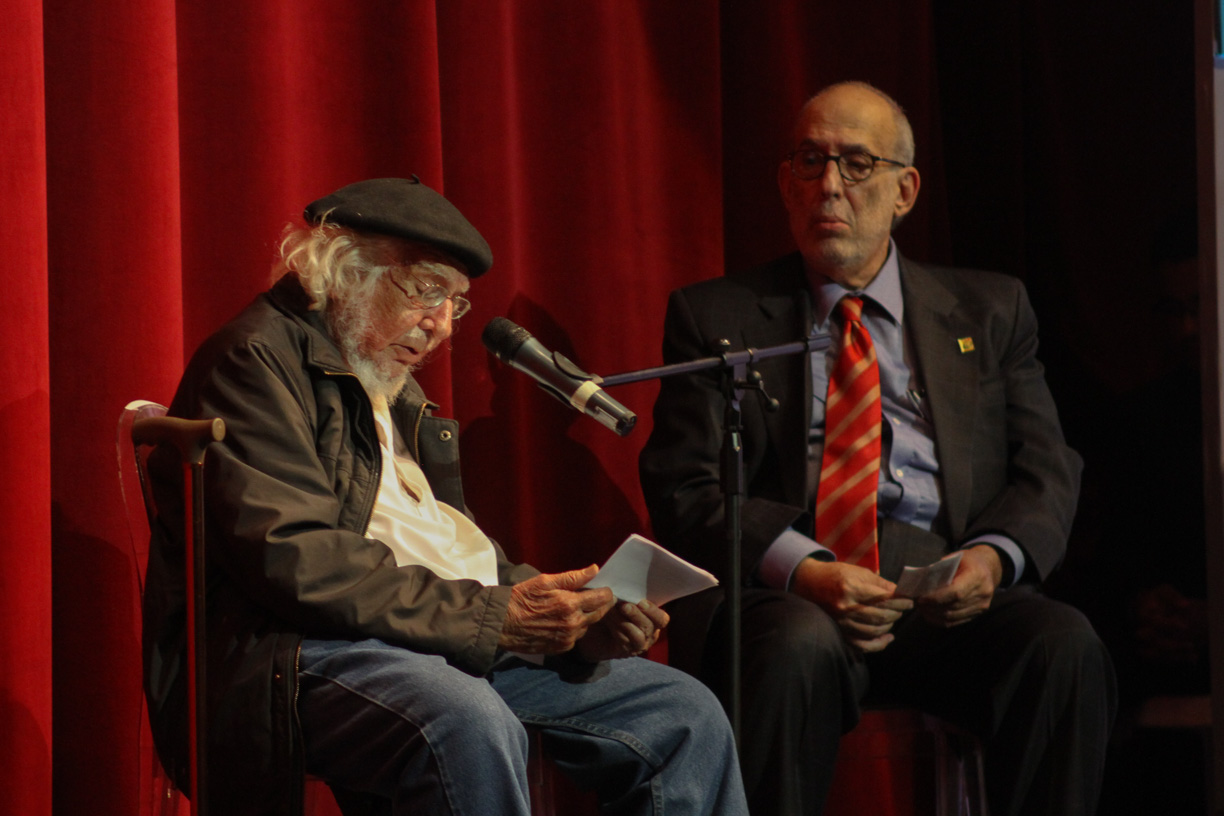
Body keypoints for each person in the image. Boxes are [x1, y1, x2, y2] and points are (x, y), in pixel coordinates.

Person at [142, 177, 748, 816]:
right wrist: (494, 617)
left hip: (420, 638)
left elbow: (440, 547)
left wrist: (571, 618)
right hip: (287, 651)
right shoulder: (253, 361)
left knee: (684, 713)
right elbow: (295, 560)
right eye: (426, 291)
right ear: (343, 269)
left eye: (454, 304)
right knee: (464, 717)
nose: (440, 327)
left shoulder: (384, 385)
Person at [638, 82, 1116, 816]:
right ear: (785, 182)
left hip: (947, 604)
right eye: (810, 161)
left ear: (905, 189)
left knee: (1063, 644)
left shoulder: (990, 311)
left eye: (857, 163)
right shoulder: (718, 316)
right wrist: (810, 571)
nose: (830, 185)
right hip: (795, 603)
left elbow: (1047, 466)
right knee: (792, 647)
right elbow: (685, 490)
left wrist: (991, 560)